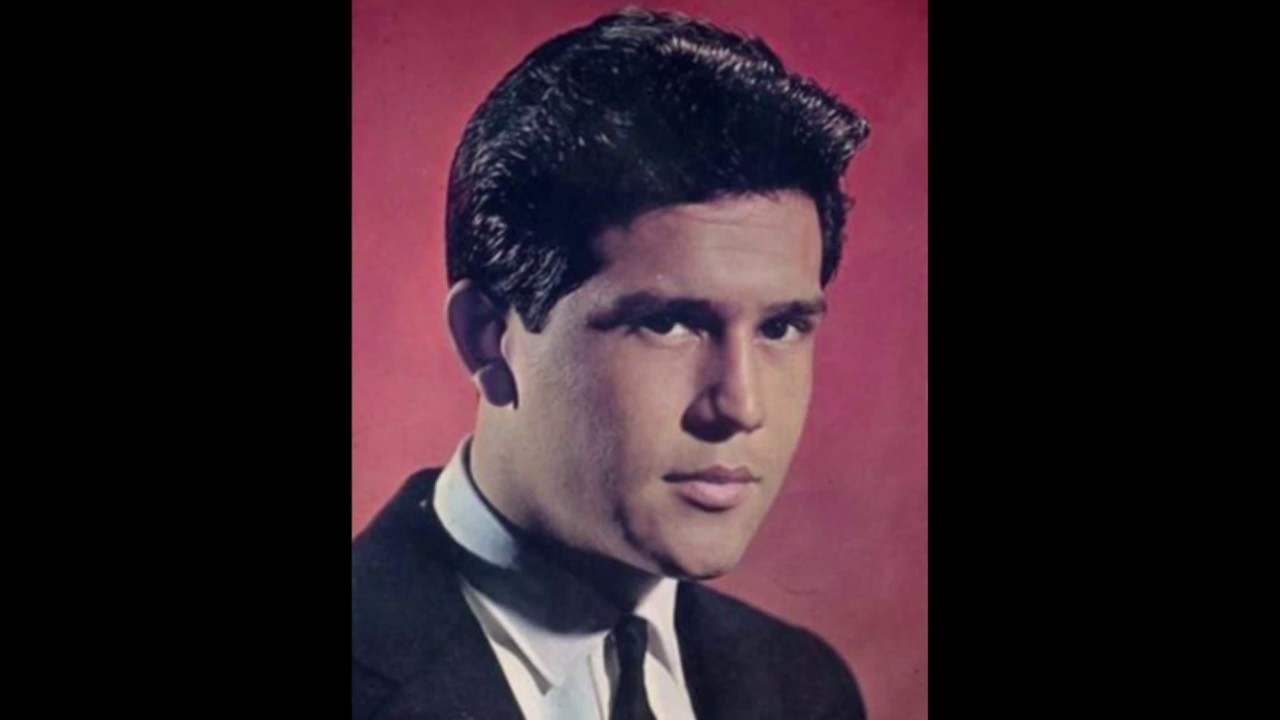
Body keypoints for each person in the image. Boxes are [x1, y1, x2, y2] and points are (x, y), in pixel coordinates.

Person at [353, 8, 871, 719]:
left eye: (780, 327)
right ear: (488, 338)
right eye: (667, 323)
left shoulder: (806, 689)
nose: (741, 406)